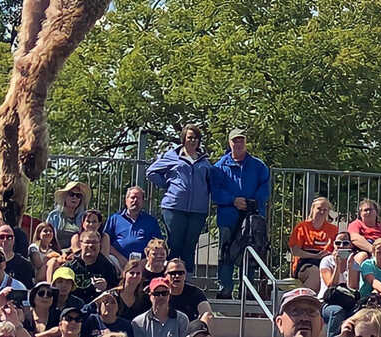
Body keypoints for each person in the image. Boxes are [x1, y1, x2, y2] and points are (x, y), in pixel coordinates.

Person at [209, 129, 269, 302]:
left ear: (246, 142)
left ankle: (248, 292)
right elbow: (215, 192)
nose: (238, 143)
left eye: (241, 140)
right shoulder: (219, 167)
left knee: (250, 255)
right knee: (226, 254)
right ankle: (225, 290)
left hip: (252, 218)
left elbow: (265, 188)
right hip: (228, 217)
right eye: (235, 140)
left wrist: (252, 202)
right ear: (230, 143)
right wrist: (233, 200)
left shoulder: (259, 166)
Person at [146, 127, 210, 285]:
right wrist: (169, 185)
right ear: (183, 139)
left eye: (195, 137)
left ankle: (186, 283)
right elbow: (151, 172)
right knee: (174, 244)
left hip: (198, 210)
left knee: (190, 245)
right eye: (189, 137)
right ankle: (169, 280)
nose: (192, 140)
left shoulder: (205, 161)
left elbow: (211, 181)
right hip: (174, 207)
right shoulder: (172, 156)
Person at [104, 189, 162, 267]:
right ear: (126, 200)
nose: (135, 200)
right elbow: (106, 242)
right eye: (132, 197)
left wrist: (145, 261)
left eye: (138, 198)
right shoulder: (115, 219)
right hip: (118, 261)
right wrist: (120, 258)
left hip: (144, 263)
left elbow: (157, 244)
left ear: (143, 202)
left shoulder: (151, 221)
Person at [290, 200, 340, 289]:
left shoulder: (333, 229)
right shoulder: (302, 227)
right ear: (312, 209)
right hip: (306, 262)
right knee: (315, 273)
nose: (322, 212)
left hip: (327, 261)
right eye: (319, 209)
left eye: (325, 210)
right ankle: (306, 297)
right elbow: (295, 251)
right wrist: (315, 256)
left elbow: (337, 248)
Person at [60, 232, 119, 305]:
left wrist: (106, 287)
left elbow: (116, 291)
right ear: (80, 244)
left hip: (97, 307)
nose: (91, 245)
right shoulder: (69, 266)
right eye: (87, 242)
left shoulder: (107, 266)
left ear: (99, 245)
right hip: (73, 307)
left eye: (94, 242)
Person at [45, 182, 91, 253]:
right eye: (71, 194)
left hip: (77, 253)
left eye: (78, 196)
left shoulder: (84, 218)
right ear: (65, 197)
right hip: (56, 252)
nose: (74, 197)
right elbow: (46, 236)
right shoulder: (54, 216)